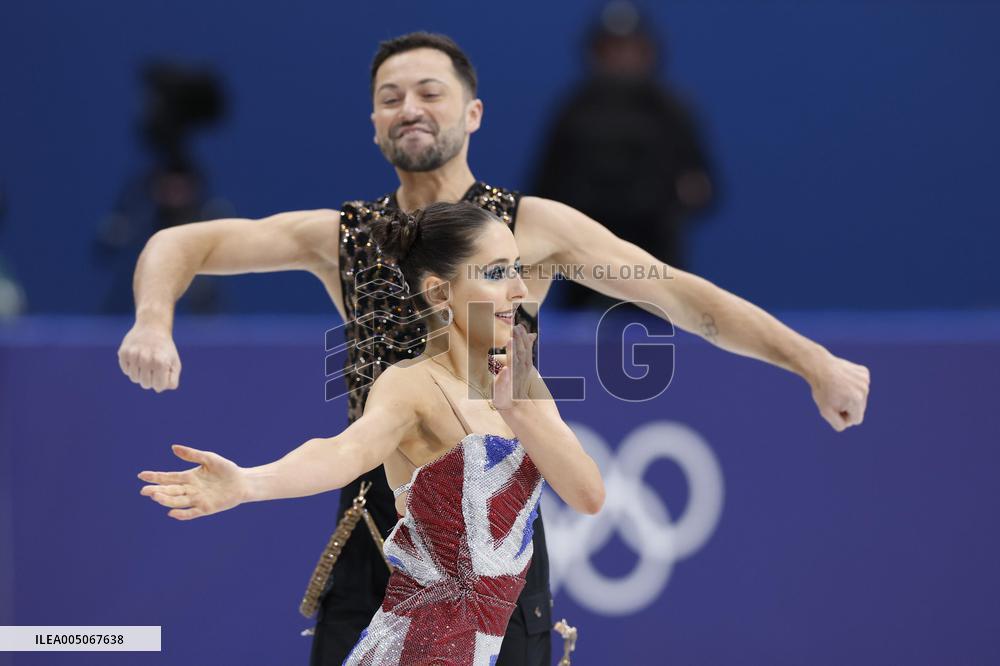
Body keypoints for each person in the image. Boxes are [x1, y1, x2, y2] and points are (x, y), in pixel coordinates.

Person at [117, 31, 871, 666]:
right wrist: (153, 319)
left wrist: (813, 360)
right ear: (373, 124)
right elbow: (183, 242)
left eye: (429, 91)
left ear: (473, 112)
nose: (409, 107)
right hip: (377, 526)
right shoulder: (341, 236)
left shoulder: (532, 227)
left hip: (496, 531)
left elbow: (677, 295)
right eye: (390, 96)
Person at [137, 202, 605, 666]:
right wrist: (249, 482)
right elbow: (345, 451)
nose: (521, 289)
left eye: (518, 268)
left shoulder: (522, 381)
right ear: (441, 293)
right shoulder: (410, 385)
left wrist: (522, 414)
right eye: (498, 273)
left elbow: (588, 496)